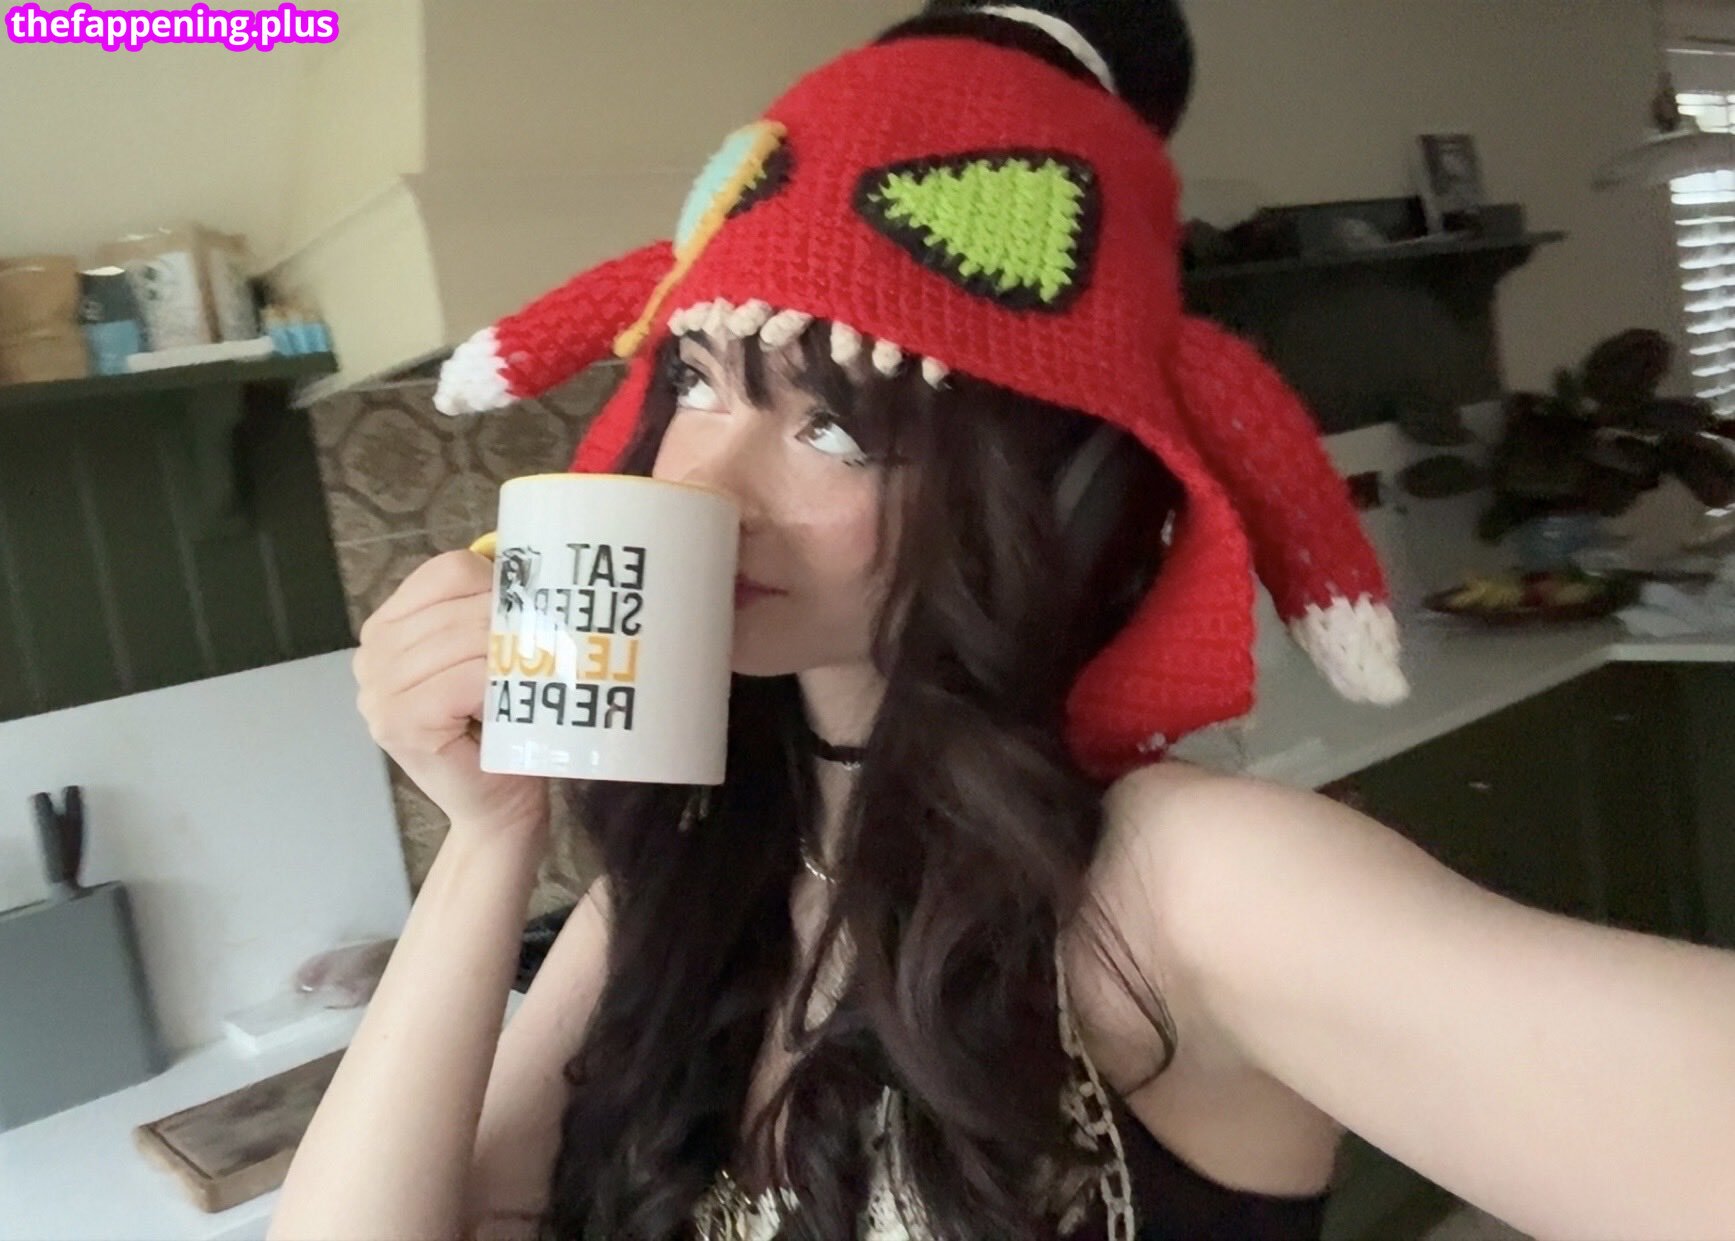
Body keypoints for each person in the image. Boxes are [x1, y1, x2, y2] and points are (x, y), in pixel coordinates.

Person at [269, 3, 1735, 1239]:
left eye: (838, 427)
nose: (700, 484)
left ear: (1037, 496)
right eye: (699, 382)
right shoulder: (678, 891)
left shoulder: (1176, 884)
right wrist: (487, 840)